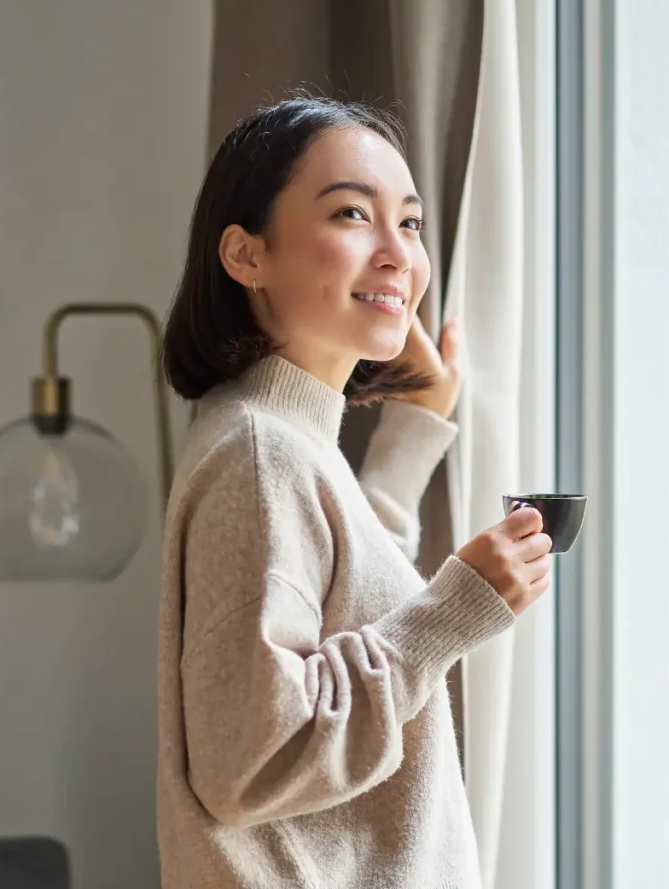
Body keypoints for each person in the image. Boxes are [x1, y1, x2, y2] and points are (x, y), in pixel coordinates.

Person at [156, 96, 551, 889]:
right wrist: (450, 615)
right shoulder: (262, 453)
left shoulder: (278, 440)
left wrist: (412, 438)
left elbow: (336, 590)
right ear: (247, 255)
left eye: (409, 224)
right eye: (351, 215)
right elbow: (251, 762)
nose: (397, 253)